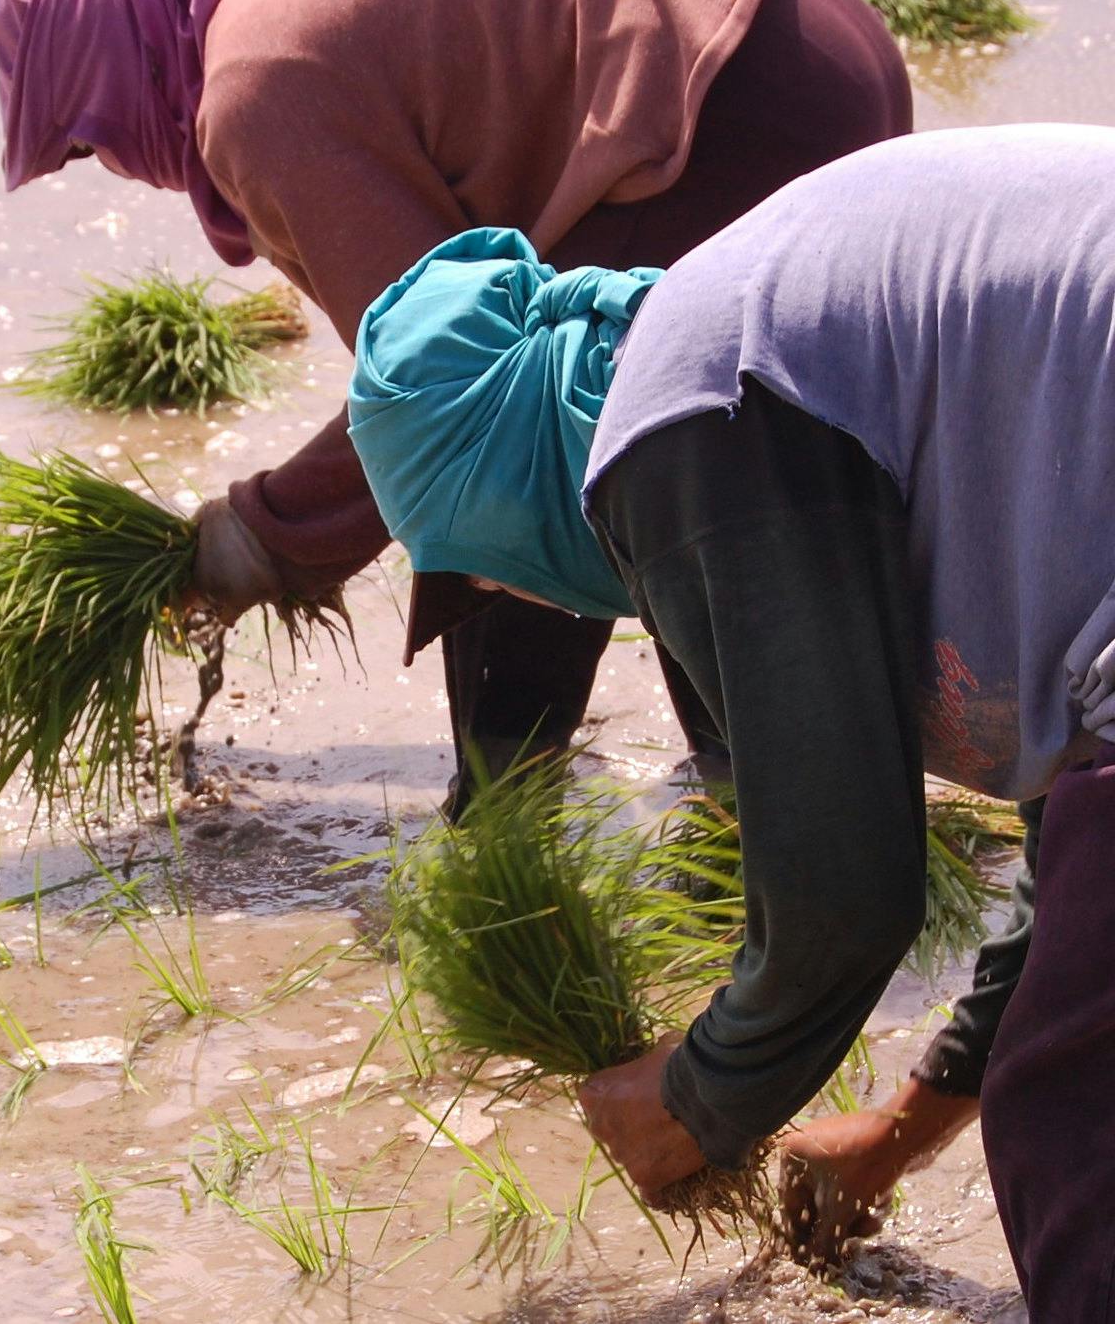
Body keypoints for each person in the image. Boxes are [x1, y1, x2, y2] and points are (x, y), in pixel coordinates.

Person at [342, 124, 1115, 1317]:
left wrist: (696, 1098)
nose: (531, 599)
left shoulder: (685, 416)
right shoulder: (767, 338)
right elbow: (1076, 850)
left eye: (488, 572)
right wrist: (900, 1132)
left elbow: (844, 892)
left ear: (500, 497)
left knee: (1078, 1126)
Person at [0, 0, 912, 795]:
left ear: (116, 58)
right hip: (814, 37)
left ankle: (523, 809)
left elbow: (452, 399)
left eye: (86, 137)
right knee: (680, 435)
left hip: (731, 101)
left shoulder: (255, 85)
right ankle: (760, 802)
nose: (112, 166)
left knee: (528, 463)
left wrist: (258, 538)